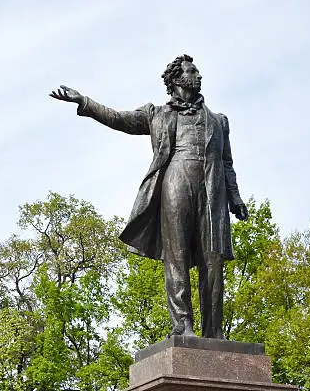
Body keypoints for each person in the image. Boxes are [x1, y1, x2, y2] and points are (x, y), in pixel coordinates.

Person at [50, 54, 248, 339]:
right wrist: (85, 102)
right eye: (193, 71)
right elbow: (119, 119)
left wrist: (235, 198)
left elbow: (227, 163)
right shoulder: (157, 113)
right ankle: (184, 325)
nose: (199, 76)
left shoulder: (219, 121)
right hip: (175, 181)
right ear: (177, 79)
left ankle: (214, 331)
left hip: (212, 189)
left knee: (212, 259)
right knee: (176, 255)